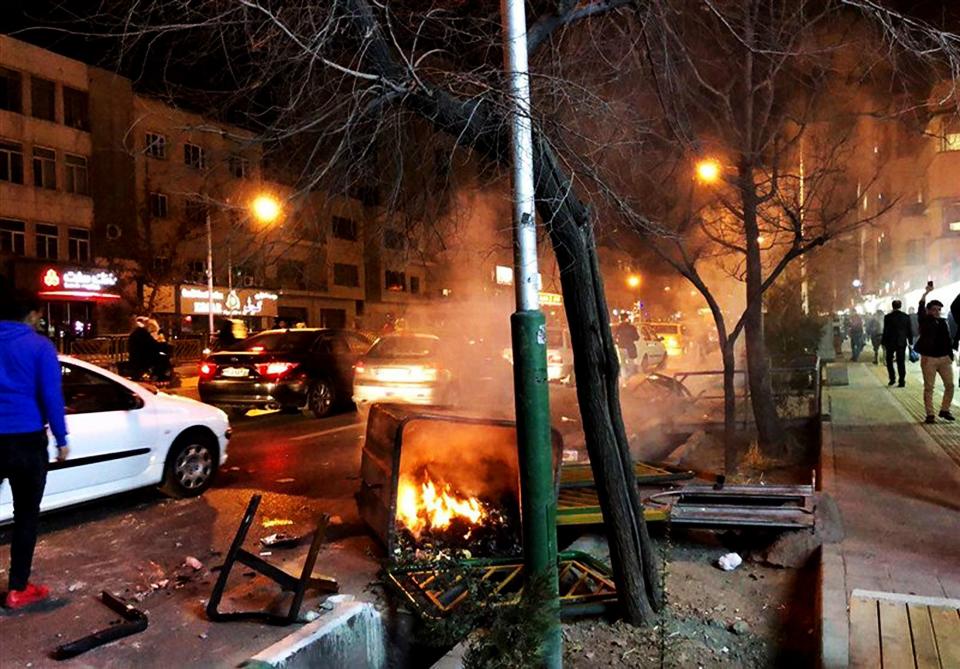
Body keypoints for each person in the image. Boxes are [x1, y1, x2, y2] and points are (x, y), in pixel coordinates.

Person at [0, 287, 68, 609]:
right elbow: (51, 397)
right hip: (27, 441)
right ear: (29, 314)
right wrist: (62, 438)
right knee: (26, 515)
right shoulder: (39, 347)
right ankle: (17, 589)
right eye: (39, 314)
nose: (40, 320)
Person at [915, 288, 955, 423]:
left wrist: (950, 355)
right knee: (929, 387)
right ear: (928, 311)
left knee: (950, 385)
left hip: (944, 359)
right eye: (934, 309)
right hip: (929, 359)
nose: (937, 312)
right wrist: (926, 293)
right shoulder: (924, 321)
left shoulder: (944, 322)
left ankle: (945, 410)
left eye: (939, 309)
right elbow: (920, 307)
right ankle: (930, 414)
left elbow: (948, 339)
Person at [882, 300, 912, 387]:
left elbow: (885, 330)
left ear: (892, 306)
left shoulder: (888, 317)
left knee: (889, 361)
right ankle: (902, 381)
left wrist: (883, 342)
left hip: (890, 342)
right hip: (901, 342)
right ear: (900, 306)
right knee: (901, 362)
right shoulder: (906, 316)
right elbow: (909, 330)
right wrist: (910, 341)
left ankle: (892, 379)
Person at [613, 313, 640, 378]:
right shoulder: (632, 327)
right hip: (629, 348)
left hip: (621, 347)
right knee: (631, 363)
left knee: (623, 363)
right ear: (627, 318)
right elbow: (637, 337)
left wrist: (617, 342)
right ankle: (629, 378)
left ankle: (624, 376)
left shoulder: (618, 327)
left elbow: (614, 337)